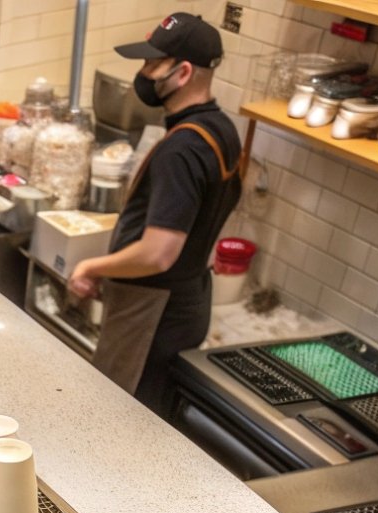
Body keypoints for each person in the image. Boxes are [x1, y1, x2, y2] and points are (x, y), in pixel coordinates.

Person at [69, 13, 243, 413]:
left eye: (151, 64)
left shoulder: (181, 150)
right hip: (185, 302)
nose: (143, 74)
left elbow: (157, 253)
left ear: (182, 73)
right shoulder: (220, 129)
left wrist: (94, 267)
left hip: (153, 317)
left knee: (120, 425)